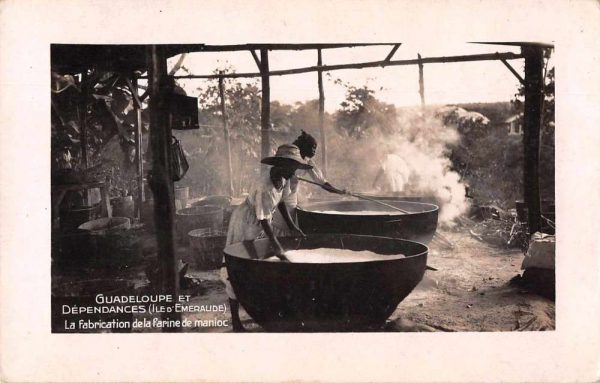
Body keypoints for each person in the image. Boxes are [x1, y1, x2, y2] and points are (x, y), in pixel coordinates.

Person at [222, 144, 310, 331]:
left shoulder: (283, 178)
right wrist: (277, 246)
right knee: (236, 265)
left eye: (295, 167)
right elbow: (263, 220)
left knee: (256, 263)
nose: (294, 171)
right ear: (280, 164)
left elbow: (281, 204)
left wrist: (293, 227)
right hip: (246, 222)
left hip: (259, 222)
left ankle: (257, 309)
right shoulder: (265, 186)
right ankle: (235, 320)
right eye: (291, 166)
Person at [272, 130, 346, 235]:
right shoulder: (287, 162)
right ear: (304, 147)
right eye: (313, 148)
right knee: (281, 226)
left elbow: (321, 182)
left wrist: (338, 191)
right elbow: (280, 200)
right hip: (280, 198)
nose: (314, 151)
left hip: (292, 199)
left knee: (290, 224)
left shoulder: (307, 162)